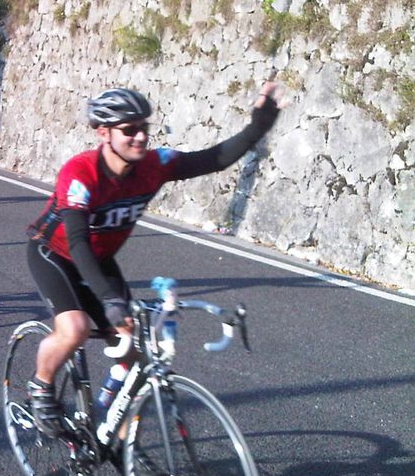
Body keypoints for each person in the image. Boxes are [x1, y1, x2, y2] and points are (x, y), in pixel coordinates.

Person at [24, 83, 281, 433]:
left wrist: (257, 128)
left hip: (99, 261)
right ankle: (41, 387)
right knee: (75, 329)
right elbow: (79, 241)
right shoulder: (81, 173)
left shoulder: (155, 165)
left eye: (144, 128)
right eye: (129, 130)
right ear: (103, 133)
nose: (141, 137)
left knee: (134, 352)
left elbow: (214, 159)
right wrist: (110, 299)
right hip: (54, 253)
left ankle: (122, 442)